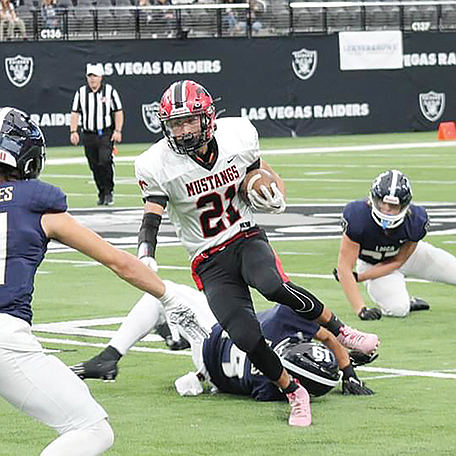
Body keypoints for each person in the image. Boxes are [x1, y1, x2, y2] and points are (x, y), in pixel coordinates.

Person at [129, 80, 379, 427]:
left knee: (273, 285)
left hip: (244, 235)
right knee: (246, 337)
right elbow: (151, 215)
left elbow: (259, 174)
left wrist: (274, 193)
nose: (183, 131)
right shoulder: (155, 163)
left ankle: (341, 330)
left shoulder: (238, 136)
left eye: (189, 121)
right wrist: (146, 252)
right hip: (208, 257)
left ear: (208, 118)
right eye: (175, 124)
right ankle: (294, 392)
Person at [0, 107, 189, 455]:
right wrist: (168, 296)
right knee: (91, 429)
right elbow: (118, 262)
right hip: (5, 338)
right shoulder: (39, 207)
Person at [71, 282, 376, 401]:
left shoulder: (278, 325)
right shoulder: (271, 390)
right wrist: (345, 373)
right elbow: (320, 342)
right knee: (176, 303)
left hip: (211, 335)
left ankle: (111, 356)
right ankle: (171, 329)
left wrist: (347, 371)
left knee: (159, 292)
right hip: (212, 371)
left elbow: (324, 332)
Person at [334, 169, 456, 320]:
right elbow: (344, 267)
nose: (386, 210)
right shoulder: (358, 218)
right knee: (398, 309)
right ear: (373, 199)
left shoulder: (416, 221)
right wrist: (361, 309)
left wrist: (360, 277)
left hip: (408, 257)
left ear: (405, 206)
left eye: (392, 207)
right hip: (372, 263)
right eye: (382, 204)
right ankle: (407, 301)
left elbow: (398, 261)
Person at [70, 63, 123, 206]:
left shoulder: (110, 91)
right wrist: (73, 131)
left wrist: (117, 130)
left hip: (105, 133)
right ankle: (101, 192)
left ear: (101, 77)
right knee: (94, 164)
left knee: (105, 160)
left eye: (95, 76)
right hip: (88, 134)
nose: (92, 79)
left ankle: (108, 191)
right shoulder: (81, 93)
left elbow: (118, 111)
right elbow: (75, 112)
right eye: (90, 76)